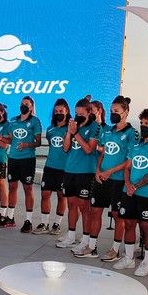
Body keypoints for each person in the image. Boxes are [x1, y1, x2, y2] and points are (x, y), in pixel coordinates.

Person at [113, 108, 148, 276]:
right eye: (142, 123)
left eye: (147, 124)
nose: (143, 126)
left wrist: (135, 186)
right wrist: (128, 184)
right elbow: (127, 167)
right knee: (128, 224)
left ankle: (146, 263)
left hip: (147, 195)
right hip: (128, 192)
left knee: (147, 228)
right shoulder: (135, 144)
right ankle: (129, 258)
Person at [90, 96, 137, 261]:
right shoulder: (107, 130)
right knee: (95, 211)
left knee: (118, 216)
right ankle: (91, 246)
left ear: (125, 112)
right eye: (111, 111)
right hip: (102, 178)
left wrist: (110, 171)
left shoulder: (132, 133)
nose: (113, 114)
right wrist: (98, 170)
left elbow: (129, 161)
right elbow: (102, 152)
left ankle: (115, 249)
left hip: (118, 180)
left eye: (116, 111)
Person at [56, 98, 99, 253]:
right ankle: (71, 236)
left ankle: (86, 240)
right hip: (70, 170)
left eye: (81, 113)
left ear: (89, 112)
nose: (78, 116)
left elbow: (89, 149)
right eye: (76, 113)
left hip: (86, 172)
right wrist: (69, 132)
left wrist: (76, 134)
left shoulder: (95, 127)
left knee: (84, 207)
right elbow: (66, 148)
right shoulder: (73, 125)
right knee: (71, 205)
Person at [5, 96, 42, 232]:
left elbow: (38, 142)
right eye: (22, 104)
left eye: (26, 104)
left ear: (31, 107)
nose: (23, 106)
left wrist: (27, 144)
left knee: (28, 188)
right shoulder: (13, 120)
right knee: (12, 187)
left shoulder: (35, 121)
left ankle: (28, 220)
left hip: (27, 159)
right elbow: (10, 139)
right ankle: (10, 217)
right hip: (13, 158)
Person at [34, 99, 69, 235]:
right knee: (45, 194)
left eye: (61, 111)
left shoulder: (70, 129)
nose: (58, 113)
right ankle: (44, 223)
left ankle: (57, 224)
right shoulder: (50, 129)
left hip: (64, 168)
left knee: (61, 196)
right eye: (56, 111)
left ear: (66, 111)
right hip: (50, 167)